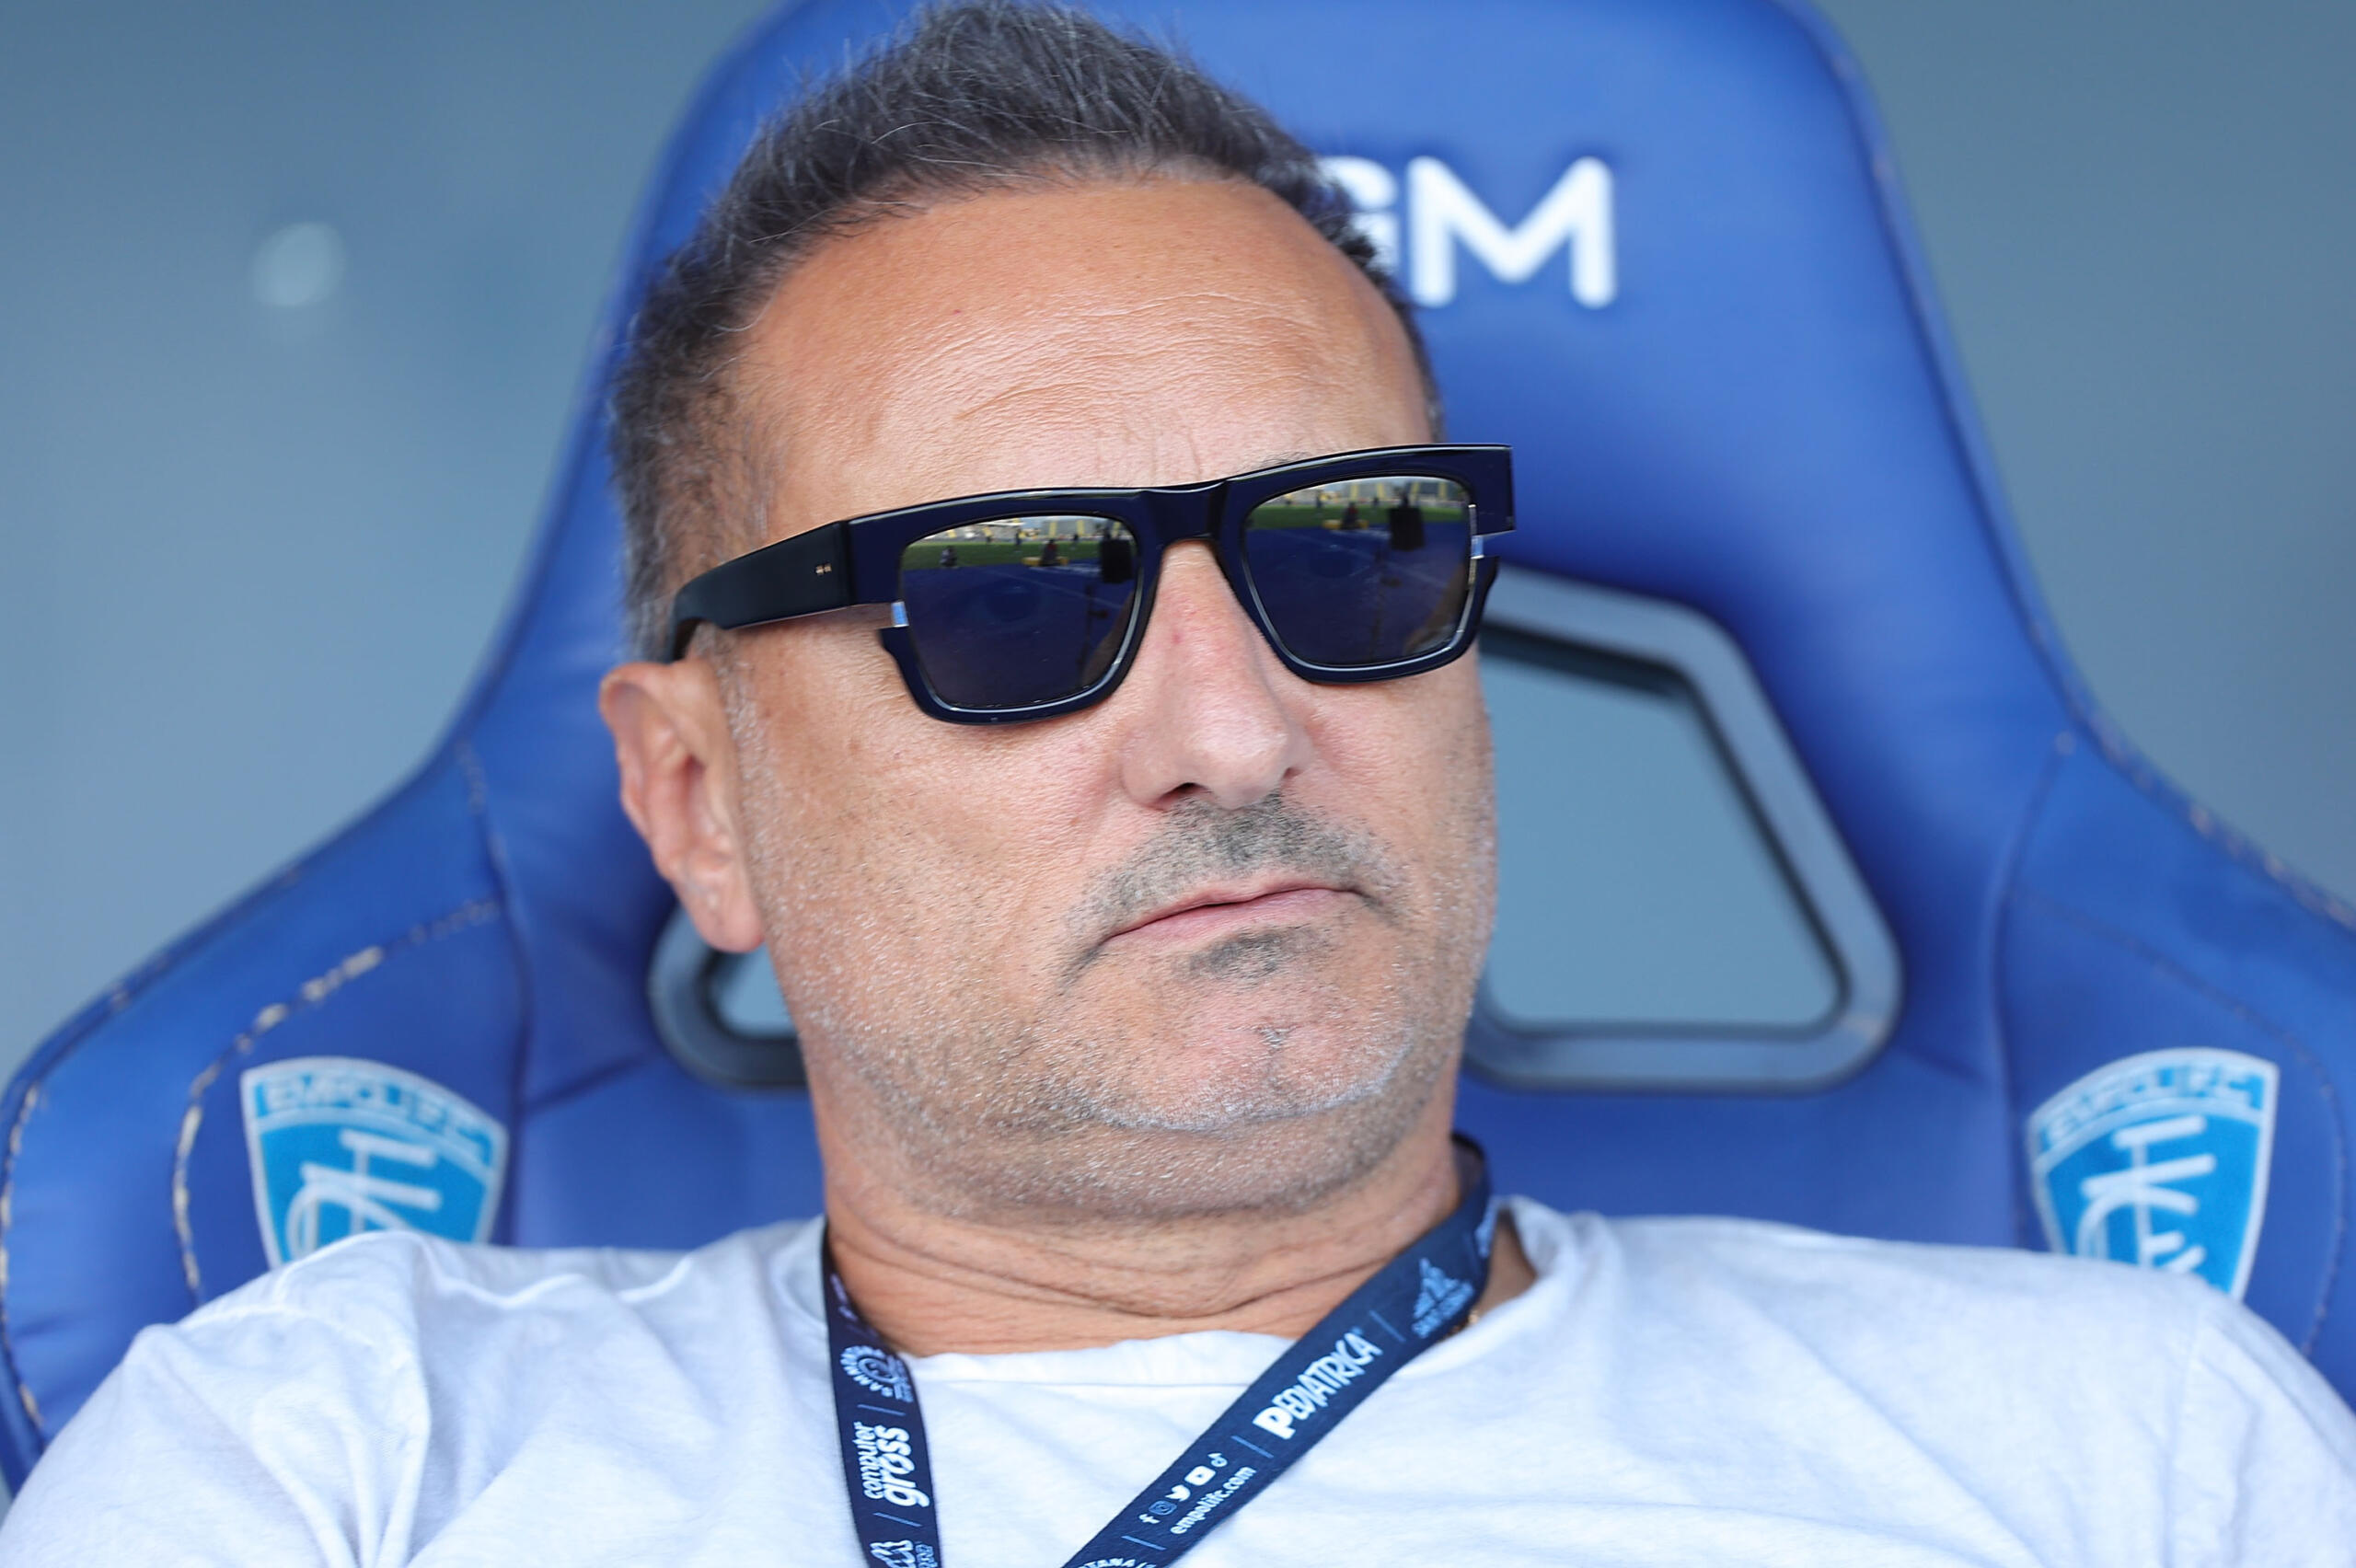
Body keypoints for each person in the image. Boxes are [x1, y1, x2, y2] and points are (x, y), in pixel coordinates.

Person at [6, 4, 2354, 1563]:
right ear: (698, 801)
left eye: (1354, 556)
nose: (1236, 733)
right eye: (1006, 603)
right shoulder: (335, 1458)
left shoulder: (2127, 1448)